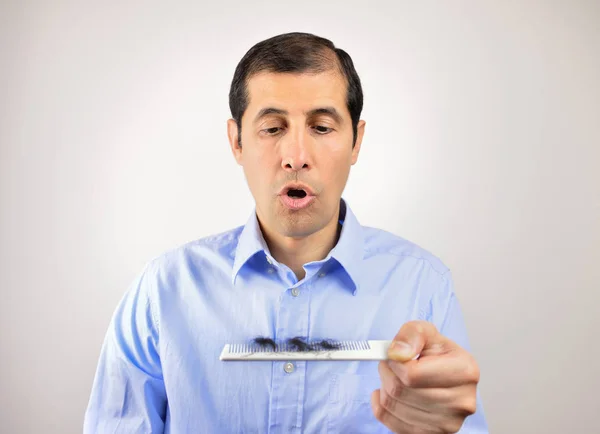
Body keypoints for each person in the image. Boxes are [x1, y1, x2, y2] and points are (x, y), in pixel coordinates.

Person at [84, 32, 488, 433]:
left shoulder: (423, 286)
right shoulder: (163, 290)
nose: (296, 158)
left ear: (356, 142)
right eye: (273, 128)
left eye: (322, 127)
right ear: (236, 141)